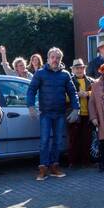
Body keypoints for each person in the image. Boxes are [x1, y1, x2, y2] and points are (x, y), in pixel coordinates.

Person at [27, 47, 79, 181]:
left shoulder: (65, 75)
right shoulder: (40, 73)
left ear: (60, 59)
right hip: (45, 113)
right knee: (44, 141)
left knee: (57, 141)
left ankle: (55, 167)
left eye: (58, 58)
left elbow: (73, 93)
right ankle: (43, 168)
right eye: (53, 57)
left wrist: (76, 109)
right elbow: (31, 90)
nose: (55, 60)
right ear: (48, 58)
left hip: (60, 114)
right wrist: (30, 106)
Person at [67, 58, 94, 166]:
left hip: (87, 114)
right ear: (73, 70)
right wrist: (77, 95)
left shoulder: (91, 81)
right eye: (76, 68)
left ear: (84, 69)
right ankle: (72, 162)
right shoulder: (68, 81)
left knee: (86, 139)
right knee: (73, 139)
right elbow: (65, 96)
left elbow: (97, 93)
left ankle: (86, 161)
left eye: (81, 68)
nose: (79, 70)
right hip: (74, 114)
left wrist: (87, 94)